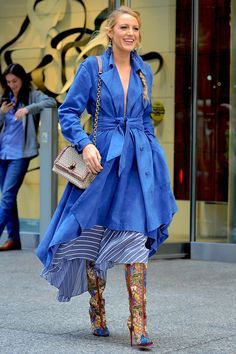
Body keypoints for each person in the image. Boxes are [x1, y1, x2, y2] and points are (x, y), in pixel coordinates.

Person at [36, 6, 177, 349]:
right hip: (101, 163)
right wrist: (84, 145)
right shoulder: (93, 67)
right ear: (110, 31)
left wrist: (155, 158)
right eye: (125, 27)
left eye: (136, 29)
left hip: (137, 164)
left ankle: (138, 323)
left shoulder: (144, 71)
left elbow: (144, 119)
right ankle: (97, 308)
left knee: (135, 236)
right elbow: (69, 112)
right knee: (93, 234)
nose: (131, 33)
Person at [0, 63, 57, 251]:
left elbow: (51, 102)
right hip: (3, 152)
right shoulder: (5, 98)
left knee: (7, 196)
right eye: (8, 82)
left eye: (14, 81)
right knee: (9, 197)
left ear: (22, 79)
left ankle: (8, 236)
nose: (11, 85)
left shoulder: (32, 95)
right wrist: (1, 113)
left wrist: (28, 109)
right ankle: (14, 238)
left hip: (20, 154)